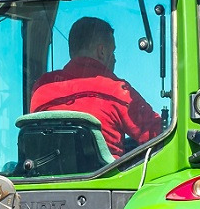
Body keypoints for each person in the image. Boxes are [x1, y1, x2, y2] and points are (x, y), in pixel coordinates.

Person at [30, 17, 162, 157]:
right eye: (113, 52)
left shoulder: (42, 86)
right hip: (108, 177)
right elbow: (158, 135)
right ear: (102, 52)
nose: (115, 59)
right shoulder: (116, 90)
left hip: (46, 175)